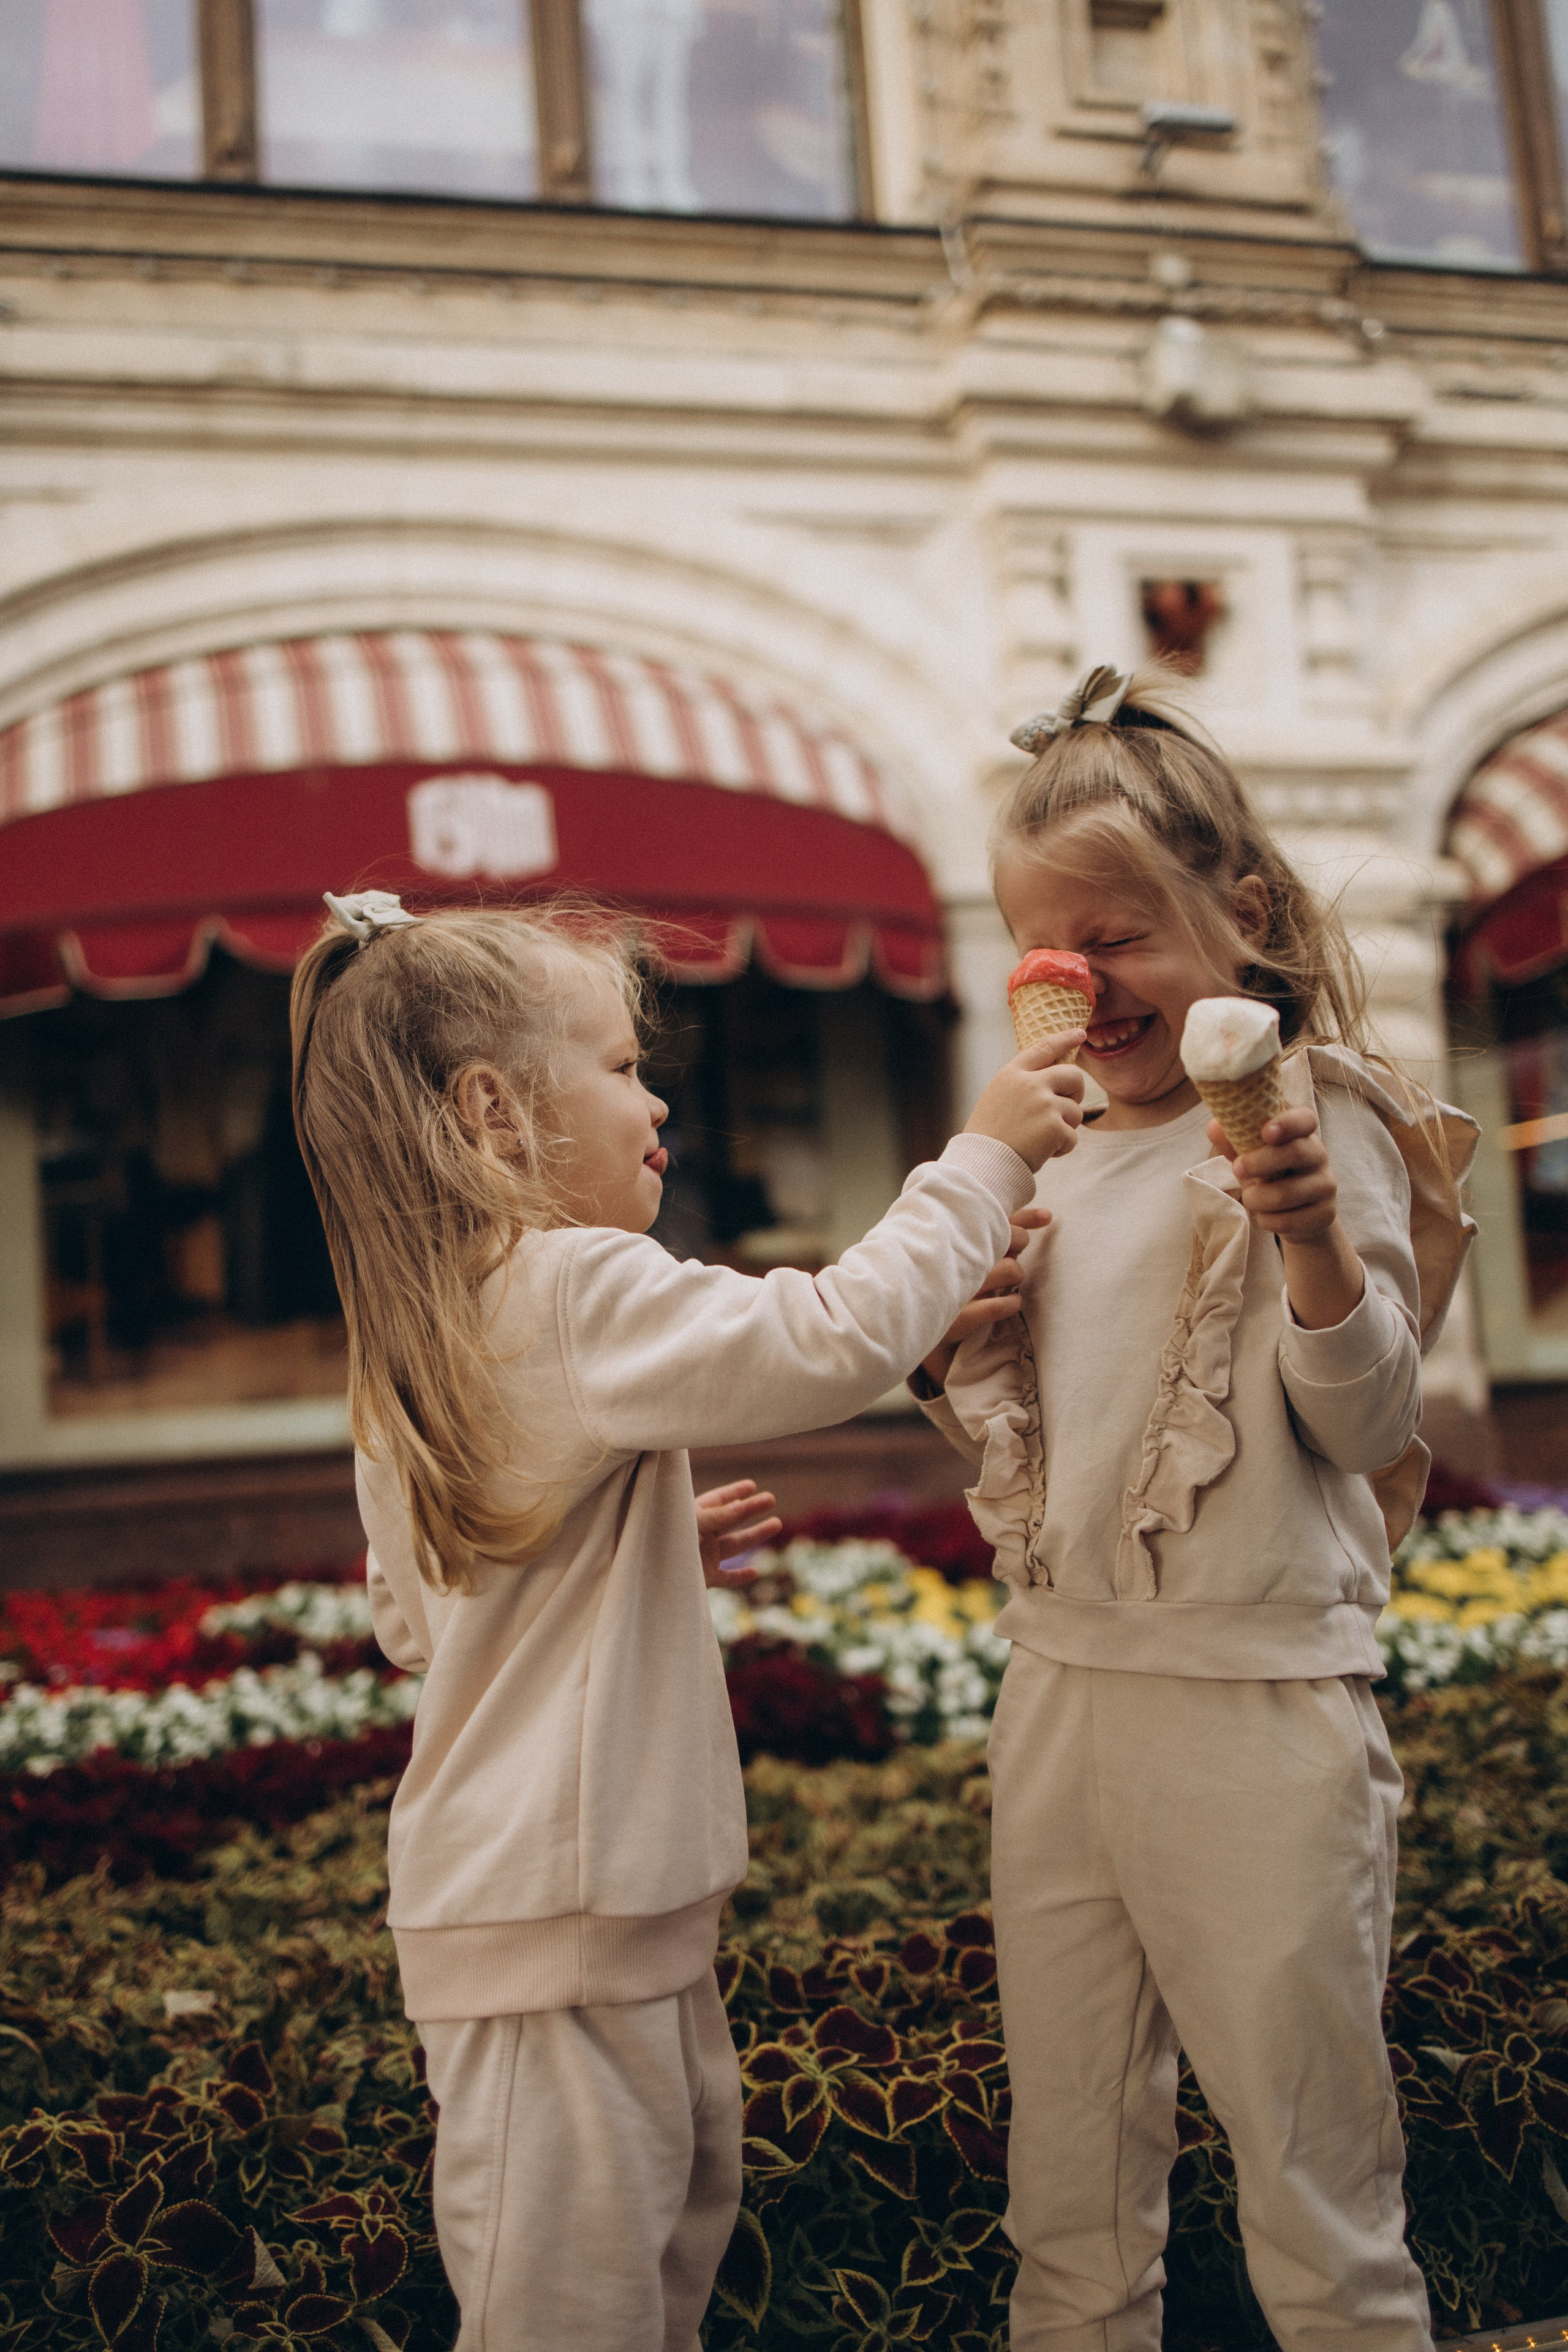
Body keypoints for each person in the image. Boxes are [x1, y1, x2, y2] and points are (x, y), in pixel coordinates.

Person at [288, 888, 1085, 2352]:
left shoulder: (429, 1324)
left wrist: (636, 1543)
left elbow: (421, 1621)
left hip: (570, 1909)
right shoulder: (570, 1281)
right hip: (567, 1917)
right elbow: (823, 1338)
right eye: (618, 1066)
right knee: (575, 2315)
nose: (654, 1099)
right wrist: (981, 1158)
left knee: (628, 2283)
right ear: (492, 1113)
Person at [913, 664, 1476, 2352]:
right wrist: (962, 1356)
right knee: (1068, 2183)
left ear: (1239, 914)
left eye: (1124, 937)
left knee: (1313, 2175)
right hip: (1061, 1689)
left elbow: (1366, 1423)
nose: (1084, 984)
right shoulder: (1047, 1151)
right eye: (1049, 950)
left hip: (1254, 1703)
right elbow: (1035, 1467)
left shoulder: (1327, 1123)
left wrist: (1306, 1234)